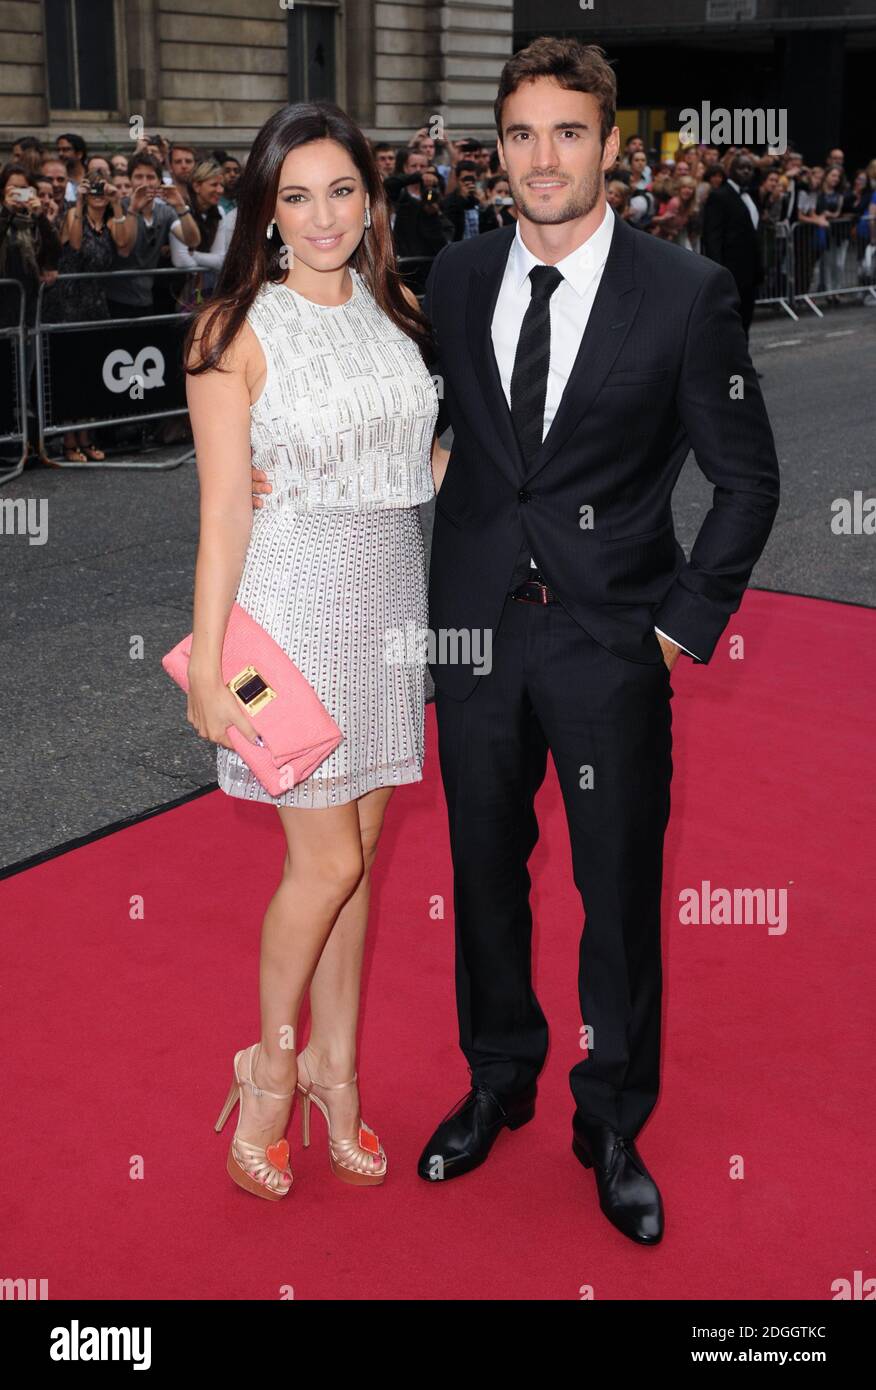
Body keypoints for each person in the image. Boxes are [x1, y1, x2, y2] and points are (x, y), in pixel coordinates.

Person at [413, 37, 779, 1244]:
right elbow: (446, 439)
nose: (542, 158)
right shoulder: (458, 277)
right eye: (521, 134)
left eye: (568, 132)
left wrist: (675, 631)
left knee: (617, 891)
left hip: (609, 642)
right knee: (481, 875)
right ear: (498, 147)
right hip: (475, 640)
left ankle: (612, 1116)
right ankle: (498, 1075)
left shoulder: (684, 293)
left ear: (611, 145)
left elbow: (746, 482)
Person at [184, 100, 442, 1201]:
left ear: (371, 201)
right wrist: (205, 659)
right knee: (324, 862)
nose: (323, 215)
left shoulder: (399, 310)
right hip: (286, 615)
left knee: (360, 865)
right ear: (266, 210)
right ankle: (272, 1063)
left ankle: (342, 1069)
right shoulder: (230, 331)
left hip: (390, 604)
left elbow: (421, 461)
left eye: (342, 191)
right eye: (296, 196)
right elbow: (222, 514)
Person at [701, 152, 762, 338]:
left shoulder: (751, 195)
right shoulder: (719, 196)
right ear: (730, 171)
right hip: (730, 271)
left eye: (749, 168)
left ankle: (742, 363)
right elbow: (712, 237)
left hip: (750, 272)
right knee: (728, 321)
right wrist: (717, 271)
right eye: (741, 168)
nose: (746, 172)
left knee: (745, 320)